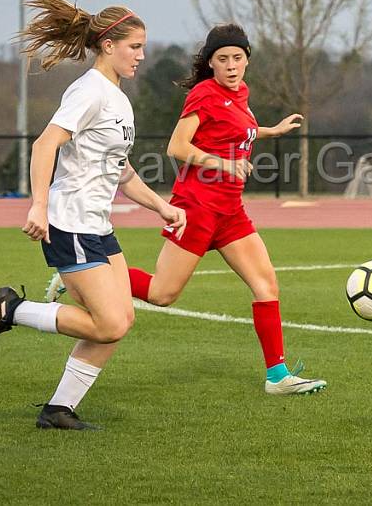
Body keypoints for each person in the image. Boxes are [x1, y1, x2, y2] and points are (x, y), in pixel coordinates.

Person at [0, 0, 186, 430]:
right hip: (69, 223)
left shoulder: (119, 100)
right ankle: (12, 310)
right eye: (135, 47)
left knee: (121, 320)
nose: (141, 55)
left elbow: (120, 171)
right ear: (108, 46)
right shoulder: (89, 91)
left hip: (97, 225)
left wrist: (160, 207)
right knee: (108, 324)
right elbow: (45, 144)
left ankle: (58, 410)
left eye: (143, 47)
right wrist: (38, 205)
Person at [126, 23, 325, 395]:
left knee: (266, 284)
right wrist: (223, 164)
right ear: (211, 64)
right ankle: (95, 274)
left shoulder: (240, 94)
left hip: (230, 212)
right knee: (161, 294)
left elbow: (235, 129)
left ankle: (277, 377)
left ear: (247, 59)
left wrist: (271, 131)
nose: (232, 65)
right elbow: (177, 147)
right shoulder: (204, 94)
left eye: (238, 57)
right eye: (223, 59)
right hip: (197, 208)